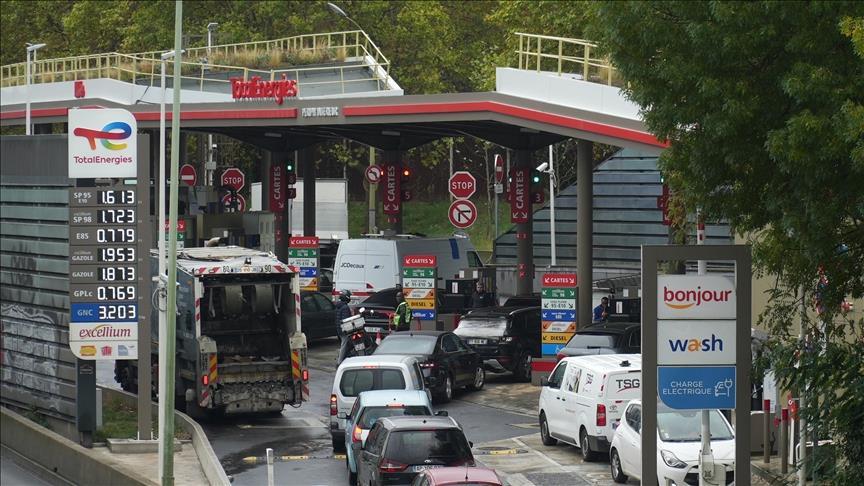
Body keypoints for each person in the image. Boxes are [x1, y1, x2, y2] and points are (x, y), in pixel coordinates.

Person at [335, 291, 353, 363]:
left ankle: (344, 357)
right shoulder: (345, 307)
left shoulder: (338, 306)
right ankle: (339, 361)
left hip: (339, 328)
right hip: (343, 329)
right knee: (344, 344)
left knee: (344, 343)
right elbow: (345, 320)